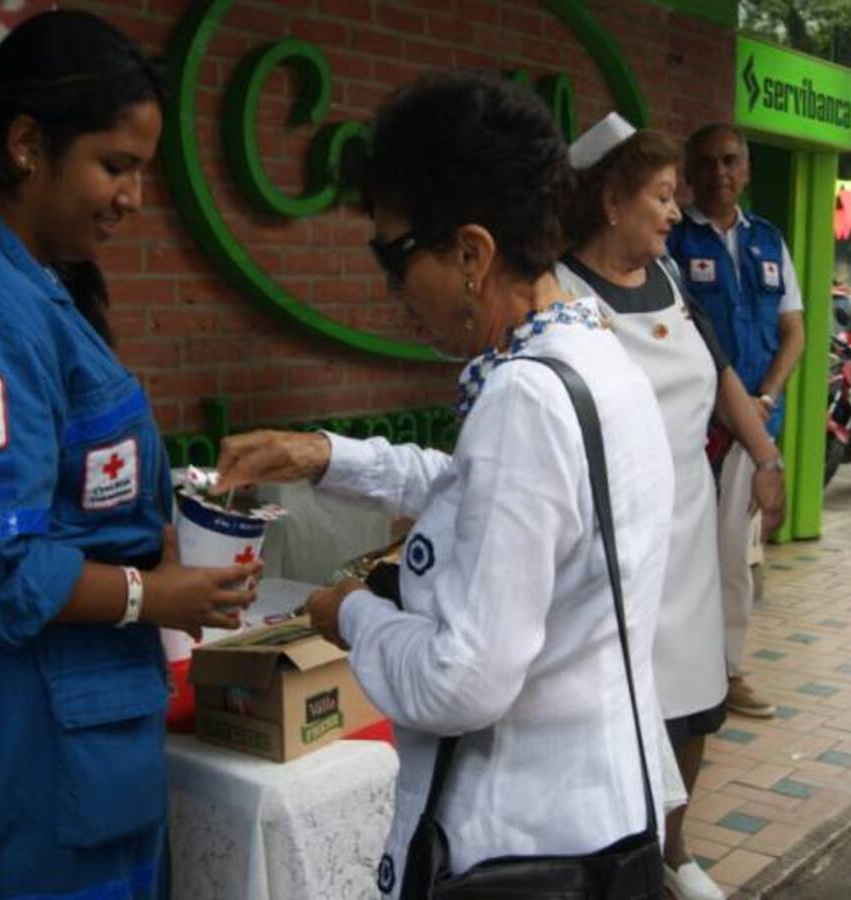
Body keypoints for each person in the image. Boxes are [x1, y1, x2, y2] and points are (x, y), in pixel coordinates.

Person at [213, 71, 673, 899]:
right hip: (597, 808)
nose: (391, 291)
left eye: (394, 257)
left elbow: (459, 682)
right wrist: (323, 454)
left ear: (470, 253)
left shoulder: (523, 398)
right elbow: (489, 498)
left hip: (515, 839)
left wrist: (349, 614)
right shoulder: (592, 357)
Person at [0, 12, 260, 897]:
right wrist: (152, 593)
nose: (132, 198)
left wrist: (163, 546)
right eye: (115, 165)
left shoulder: (29, 288)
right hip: (38, 714)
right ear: (28, 145)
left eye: (141, 171)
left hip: (79, 710)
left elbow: (66, 499)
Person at [557, 113, 785, 900]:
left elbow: (721, 377)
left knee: (694, 699)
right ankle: (616, 858)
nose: (673, 211)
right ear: (611, 201)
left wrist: (766, 456)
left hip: (688, 527)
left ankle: (674, 850)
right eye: (660, 196)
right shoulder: (563, 293)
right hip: (610, 538)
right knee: (623, 704)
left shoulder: (673, 281)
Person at [667, 123, 806, 721]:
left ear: (746, 170)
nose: (719, 172)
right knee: (680, 551)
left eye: (730, 161)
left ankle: (726, 671)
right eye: (706, 163)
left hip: (753, 429)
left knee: (734, 555)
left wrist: (766, 398)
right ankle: (674, 670)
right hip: (695, 426)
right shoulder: (674, 240)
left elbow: (794, 332)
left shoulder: (769, 241)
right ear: (689, 176)